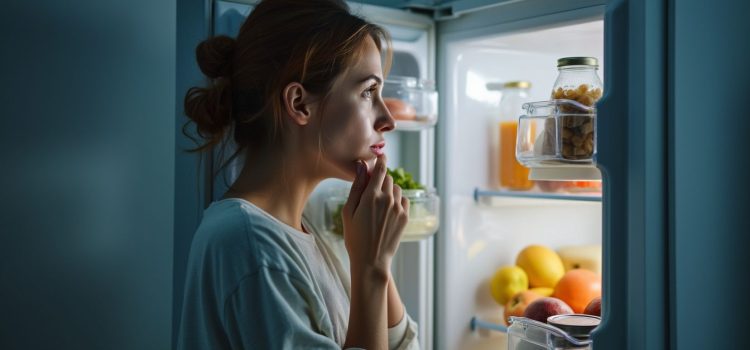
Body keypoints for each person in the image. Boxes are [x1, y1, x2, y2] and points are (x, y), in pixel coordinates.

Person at [176, 0, 419, 349]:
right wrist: (371, 268)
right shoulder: (250, 246)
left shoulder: (305, 230)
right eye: (368, 92)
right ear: (299, 104)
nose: (388, 120)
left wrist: (376, 259)